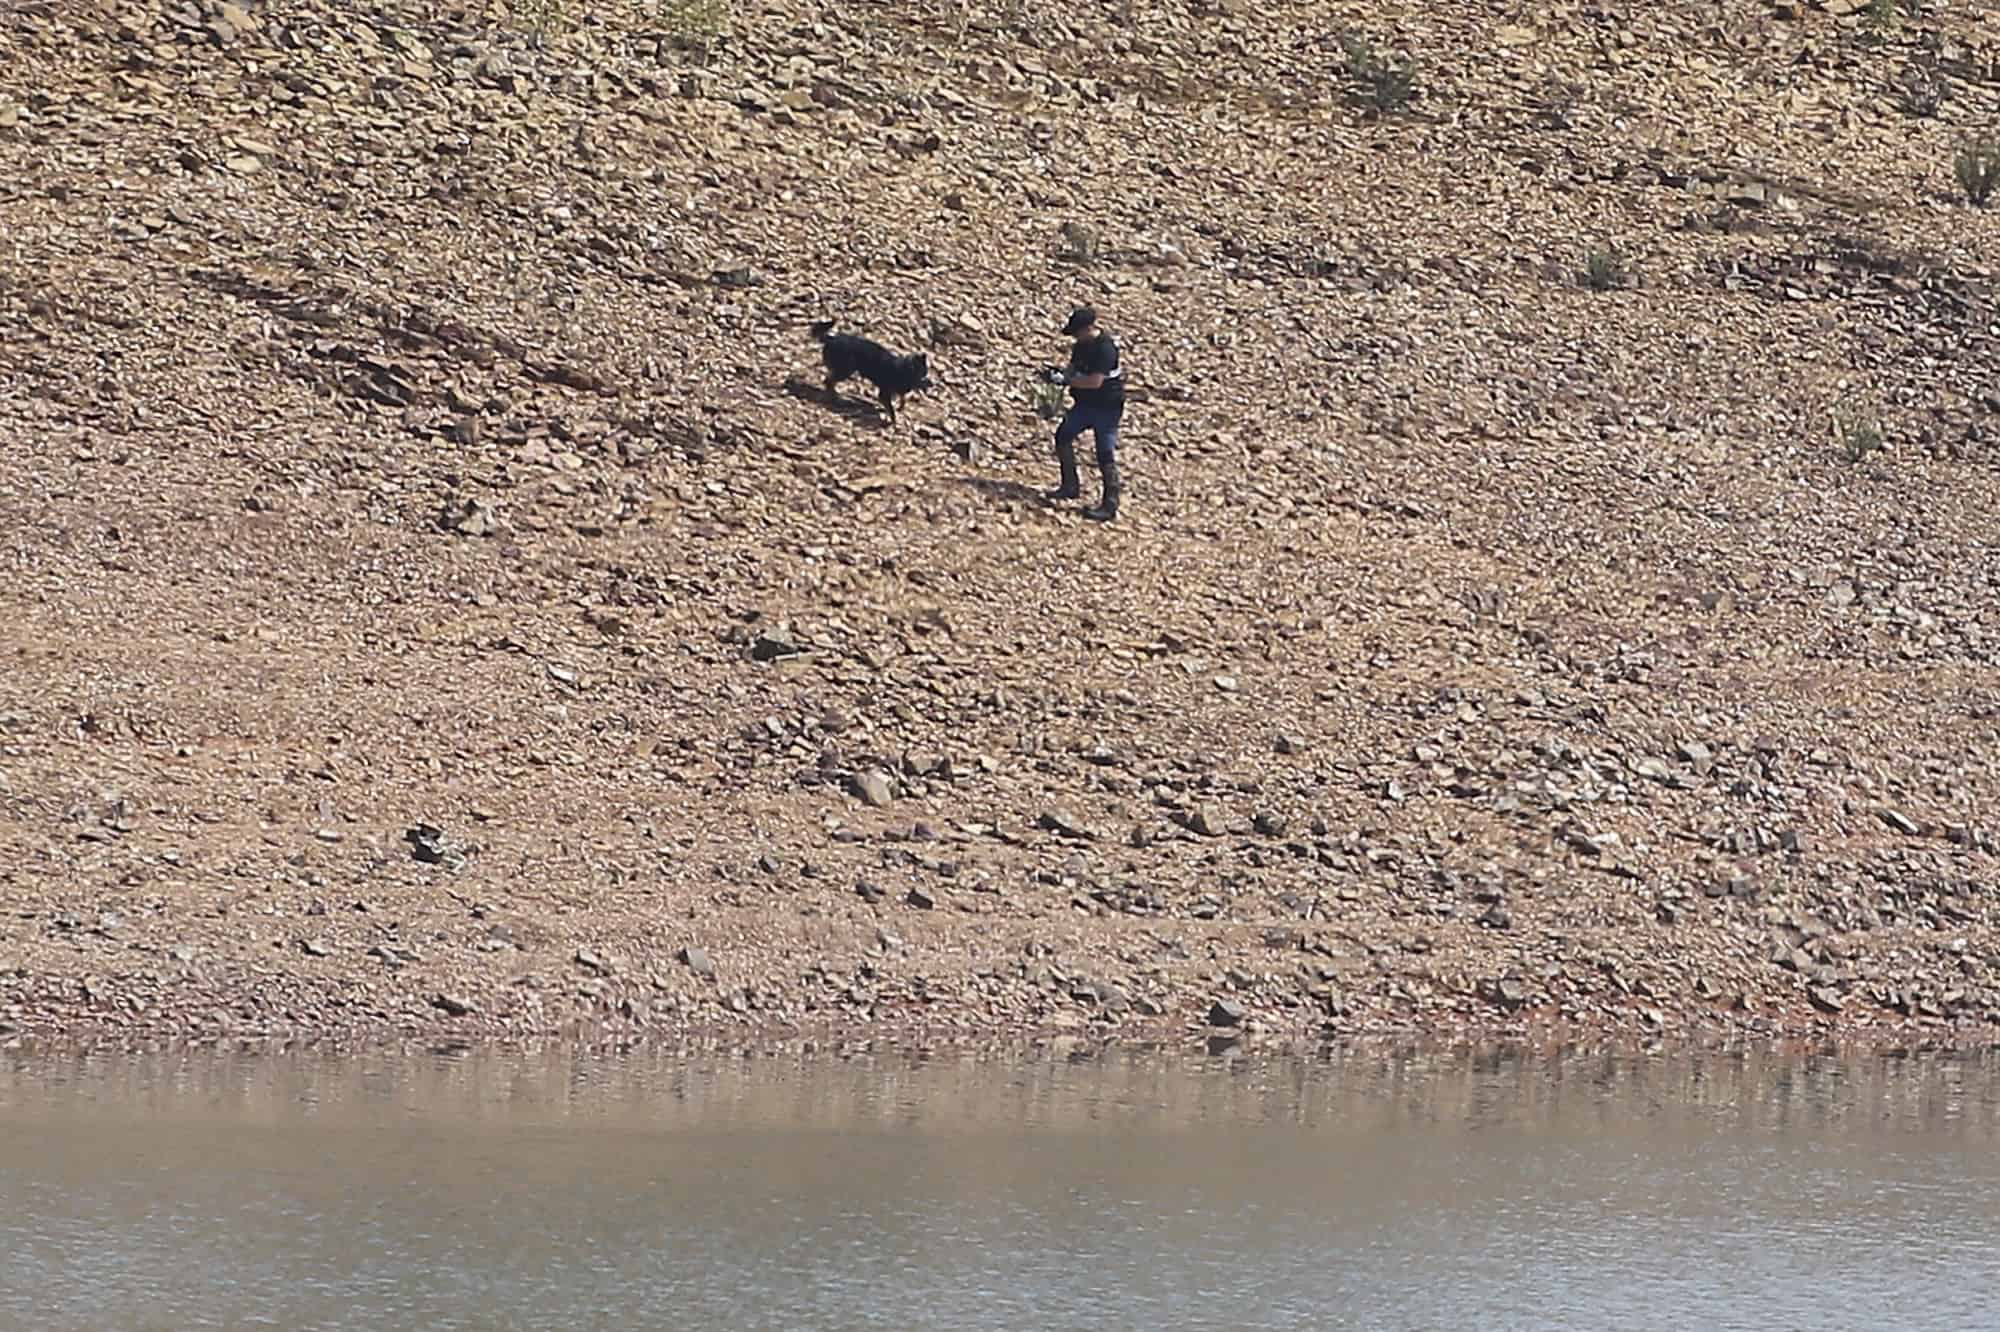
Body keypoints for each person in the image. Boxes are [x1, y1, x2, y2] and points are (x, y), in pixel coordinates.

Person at [1042, 306, 1125, 522]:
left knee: (1104, 453)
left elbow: (1094, 382)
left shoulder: (1106, 349)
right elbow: (1073, 368)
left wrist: (1066, 381)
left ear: (1089, 328)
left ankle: (1110, 504)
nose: (1076, 337)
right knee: (1063, 435)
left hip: (1107, 408)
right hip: (1085, 405)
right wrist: (1057, 375)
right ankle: (1070, 486)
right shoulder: (1081, 346)